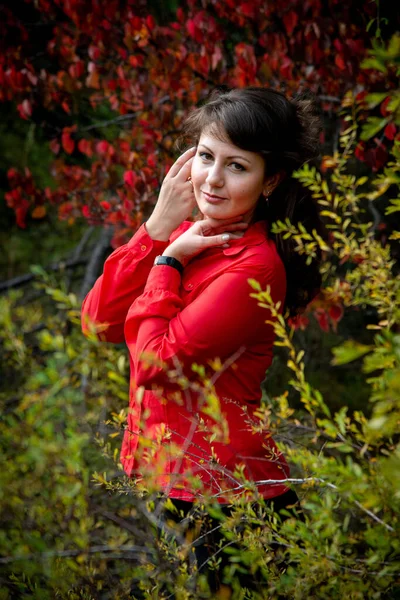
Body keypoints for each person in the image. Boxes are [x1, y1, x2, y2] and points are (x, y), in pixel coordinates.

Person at [81, 86, 324, 592]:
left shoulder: (255, 267)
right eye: (207, 157)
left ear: (270, 180)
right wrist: (156, 228)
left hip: (236, 494)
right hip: (184, 481)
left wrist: (167, 263)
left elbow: (153, 363)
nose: (212, 179)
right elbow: (99, 322)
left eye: (237, 166)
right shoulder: (191, 234)